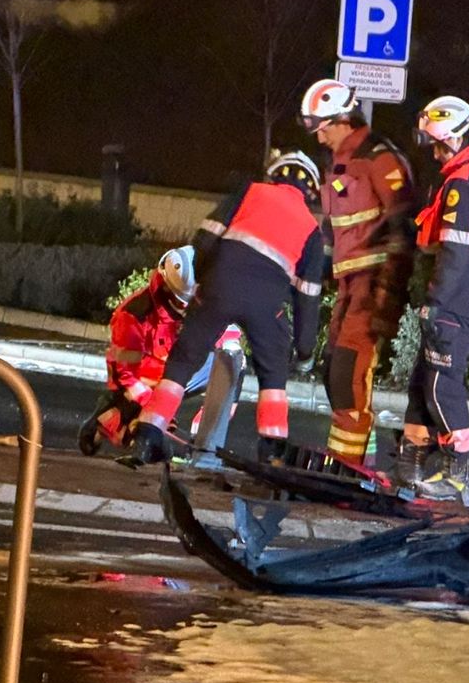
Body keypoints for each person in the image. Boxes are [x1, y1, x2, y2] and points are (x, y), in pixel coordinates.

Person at [126, 152, 327, 467]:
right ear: (311, 190)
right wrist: (304, 351)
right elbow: (308, 297)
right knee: (273, 375)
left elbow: (205, 237)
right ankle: (272, 451)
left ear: (274, 174)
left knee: (183, 361)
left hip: (219, 286)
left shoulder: (249, 192)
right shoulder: (312, 230)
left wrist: (200, 286)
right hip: (267, 303)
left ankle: (149, 432)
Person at [395, 95, 469, 508]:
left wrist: (435, 301)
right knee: (421, 383)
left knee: (440, 384)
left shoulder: (464, 185)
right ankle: (410, 466)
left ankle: (458, 473)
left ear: (456, 137)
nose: (434, 151)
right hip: (464, 300)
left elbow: (454, 252)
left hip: (458, 304)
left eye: (439, 144)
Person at [300, 78, 417, 466]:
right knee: (332, 370)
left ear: (344, 119)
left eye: (324, 128)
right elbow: (334, 237)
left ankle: (348, 470)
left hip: (373, 285)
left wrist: (389, 297)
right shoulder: (339, 166)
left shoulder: (379, 160)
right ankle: (351, 458)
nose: (320, 138)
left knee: (349, 376)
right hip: (350, 287)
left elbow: (402, 230)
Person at [79, 246, 195, 456]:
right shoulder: (134, 315)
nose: (187, 309)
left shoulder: (188, 305)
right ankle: (112, 419)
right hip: (139, 379)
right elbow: (127, 373)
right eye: (182, 303)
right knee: (146, 432)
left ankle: (131, 419)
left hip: (167, 375)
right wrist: (153, 404)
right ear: (167, 289)